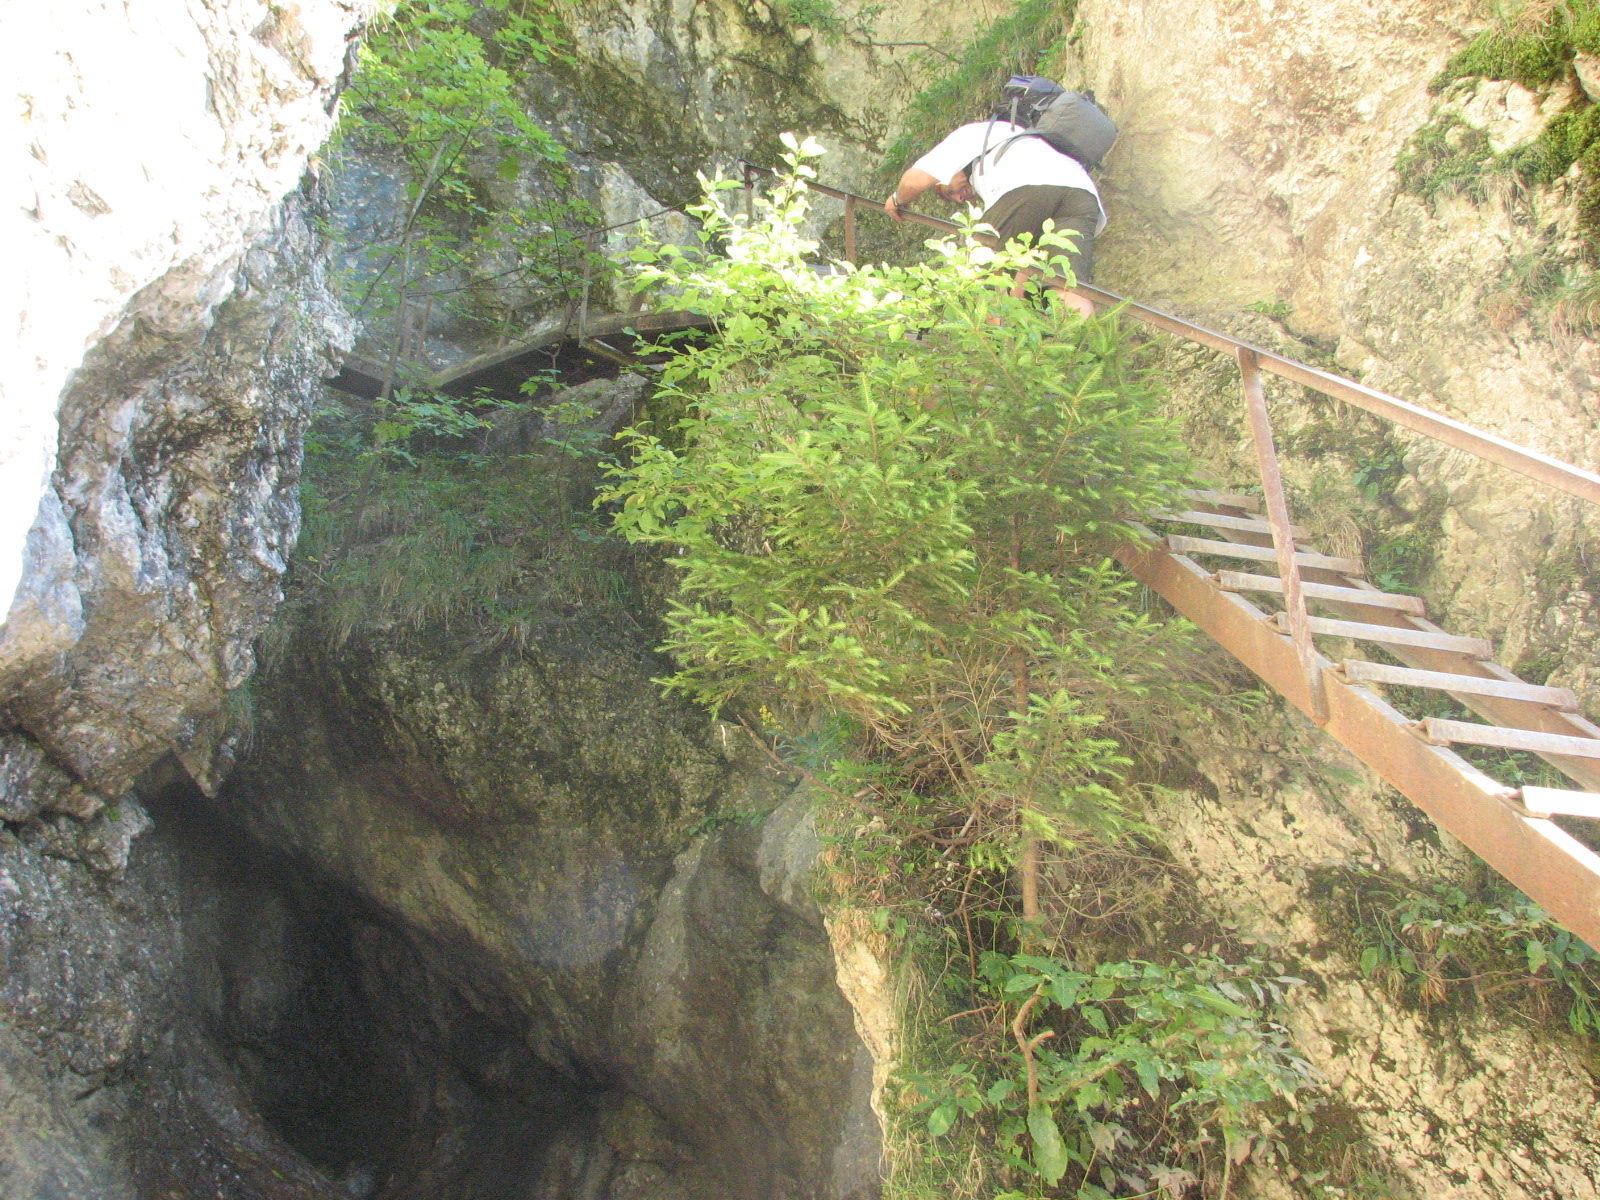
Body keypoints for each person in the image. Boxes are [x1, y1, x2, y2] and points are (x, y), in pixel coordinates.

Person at [884, 113, 1106, 320]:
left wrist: (896, 200)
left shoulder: (970, 135)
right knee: (1066, 285)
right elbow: (1021, 270)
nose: (960, 198)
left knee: (984, 280)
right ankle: (1082, 344)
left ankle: (993, 345)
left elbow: (913, 182)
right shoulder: (1020, 138)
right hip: (1081, 193)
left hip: (1026, 186)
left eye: (948, 192)